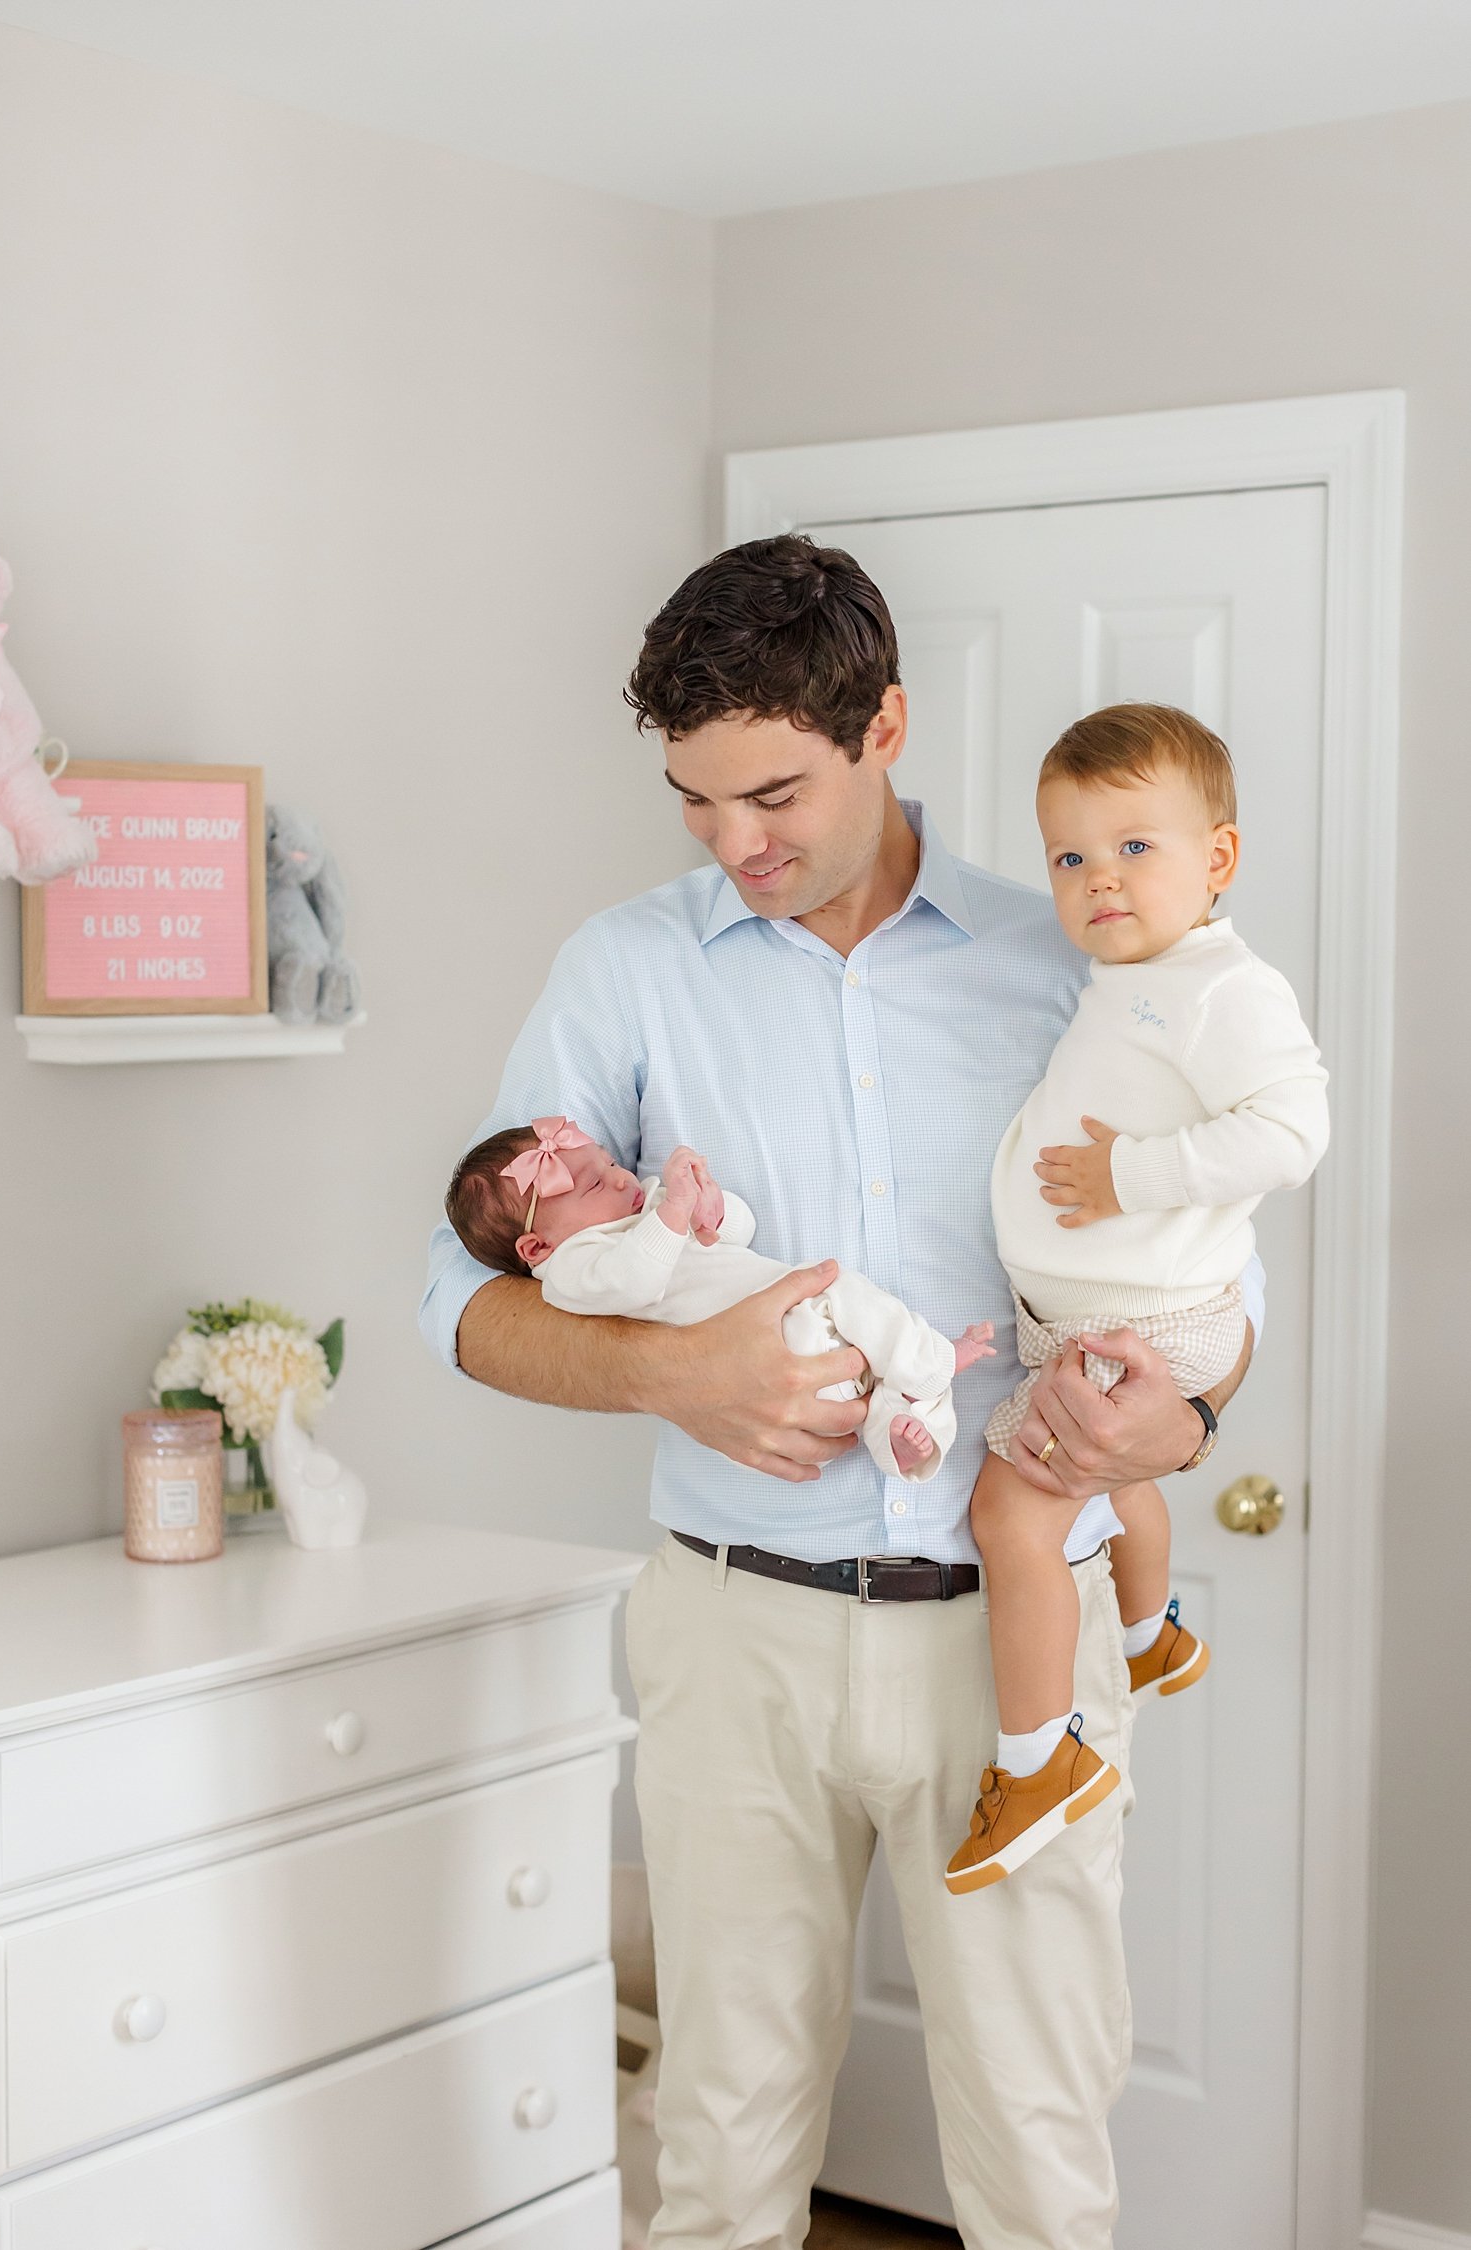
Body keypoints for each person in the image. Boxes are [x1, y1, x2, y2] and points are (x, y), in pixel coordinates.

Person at [419, 535, 1261, 2250]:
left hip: (1015, 1630)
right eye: (695, 804)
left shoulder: (1078, 967)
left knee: (1040, 2135)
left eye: (776, 794)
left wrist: (1182, 1426)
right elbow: (462, 1302)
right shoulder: (626, 970)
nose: (737, 847)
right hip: (736, 1637)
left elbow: (1221, 1283)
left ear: (884, 727)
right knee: (720, 2143)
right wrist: (680, 1370)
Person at [947, 705, 1327, 1896]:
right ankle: (1148, 1633)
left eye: (1135, 847)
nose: (1098, 879)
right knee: (1111, 1497)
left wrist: (1127, 1177)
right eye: (1070, 857)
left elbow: (1293, 1133)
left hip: (1144, 1326)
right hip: (1103, 1320)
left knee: (1012, 1523)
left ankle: (1038, 1760)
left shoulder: (1222, 987)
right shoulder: (1136, 975)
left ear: (1218, 858)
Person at [444, 1118, 996, 1479]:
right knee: (840, 1288)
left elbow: (737, 1234)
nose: (617, 1180)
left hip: (796, 1333)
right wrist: (674, 1211)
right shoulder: (572, 1268)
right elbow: (635, 1279)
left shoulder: (646, 1213)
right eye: (593, 1185)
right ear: (537, 1245)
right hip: (770, 1346)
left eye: (611, 1164)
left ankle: (901, 1446)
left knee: (877, 1393)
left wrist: (711, 1209)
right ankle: (933, 1360)